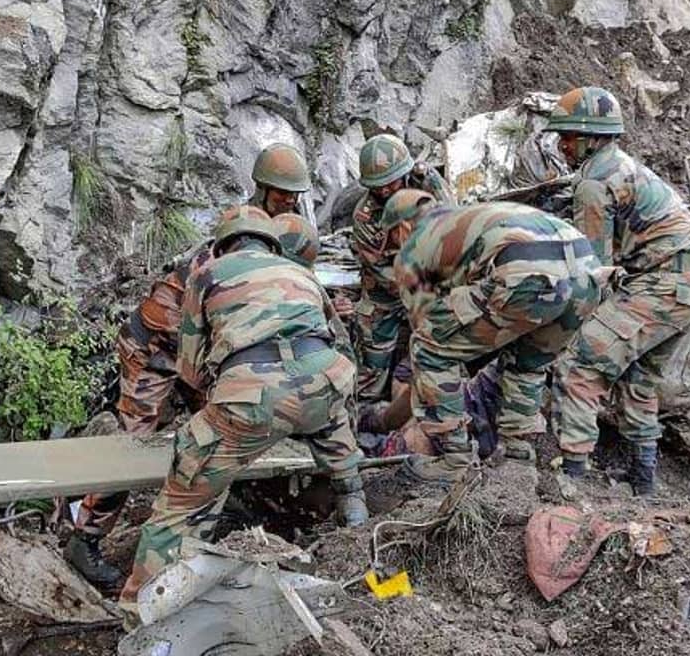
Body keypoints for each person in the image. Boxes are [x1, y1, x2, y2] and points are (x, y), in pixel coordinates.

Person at [119, 206, 367, 604]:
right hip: (327, 378)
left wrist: (226, 401)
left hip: (252, 394)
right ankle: (357, 518)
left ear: (223, 245)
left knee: (178, 506)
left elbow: (190, 369)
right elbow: (341, 345)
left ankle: (141, 609)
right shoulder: (302, 274)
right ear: (271, 243)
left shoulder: (206, 275)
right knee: (330, 415)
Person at [546, 86, 690, 496]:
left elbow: (594, 270)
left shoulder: (593, 182)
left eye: (568, 136)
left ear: (590, 137)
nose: (561, 144)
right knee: (639, 379)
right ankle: (643, 483)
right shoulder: (623, 165)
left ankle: (572, 480)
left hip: (663, 283)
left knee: (581, 365)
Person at [390, 191, 607, 469]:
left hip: (528, 275)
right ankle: (517, 457)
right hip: (588, 275)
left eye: (391, 239)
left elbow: (427, 330)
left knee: (428, 348)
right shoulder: (470, 217)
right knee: (526, 362)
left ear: (402, 227)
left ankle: (454, 459)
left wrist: (430, 395)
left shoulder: (414, 244)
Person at [64, 236, 215, 588]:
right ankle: (84, 538)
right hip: (152, 350)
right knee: (133, 446)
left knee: (221, 429)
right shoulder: (217, 264)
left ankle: (215, 513)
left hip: (196, 354)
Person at [351, 134, 455, 402]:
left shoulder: (427, 183)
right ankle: (368, 409)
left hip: (433, 279)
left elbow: (452, 224)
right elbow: (379, 270)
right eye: (378, 186)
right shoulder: (364, 216)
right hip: (386, 290)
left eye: (390, 183)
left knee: (443, 348)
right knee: (373, 358)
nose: (385, 191)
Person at [247, 143, 313, 220]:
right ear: (262, 190)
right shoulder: (240, 222)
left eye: (294, 193)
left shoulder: (297, 225)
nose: (290, 200)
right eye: (282, 192)